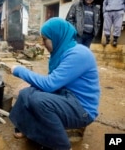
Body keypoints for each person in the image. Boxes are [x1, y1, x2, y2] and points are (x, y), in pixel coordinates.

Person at [9, 17, 100, 150]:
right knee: (26, 92)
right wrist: (32, 85)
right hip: (66, 97)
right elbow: (55, 81)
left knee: (39, 100)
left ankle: (61, 146)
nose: (42, 43)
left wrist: (19, 70)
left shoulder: (79, 54)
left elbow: (50, 84)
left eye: (45, 39)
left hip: (82, 109)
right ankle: (25, 128)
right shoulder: (61, 52)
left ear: (57, 36)